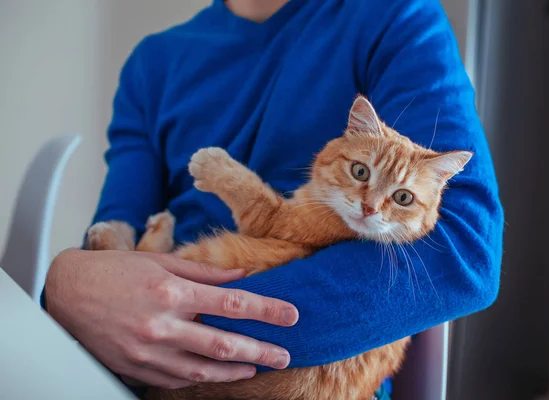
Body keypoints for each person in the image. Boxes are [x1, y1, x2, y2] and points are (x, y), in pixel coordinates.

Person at [43, 0, 504, 398]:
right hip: (145, 351)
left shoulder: (393, 15)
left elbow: (465, 255)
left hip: (301, 374)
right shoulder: (151, 63)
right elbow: (111, 249)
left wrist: (180, 327)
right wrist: (63, 284)